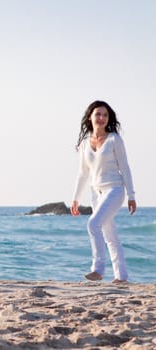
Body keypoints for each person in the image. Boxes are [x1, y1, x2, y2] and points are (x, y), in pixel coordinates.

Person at [71, 100, 136, 284]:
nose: (101, 118)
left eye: (105, 115)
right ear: (90, 117)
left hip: (115, 190)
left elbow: (125, 168)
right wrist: (76, 199)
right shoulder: (85, 143)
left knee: (93, 224)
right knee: (110, 234)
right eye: (98, 114)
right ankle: (121, 277)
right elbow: (82, 174)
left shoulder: (115, 139)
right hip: (96, 193)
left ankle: (98, 269)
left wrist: (131, 195)